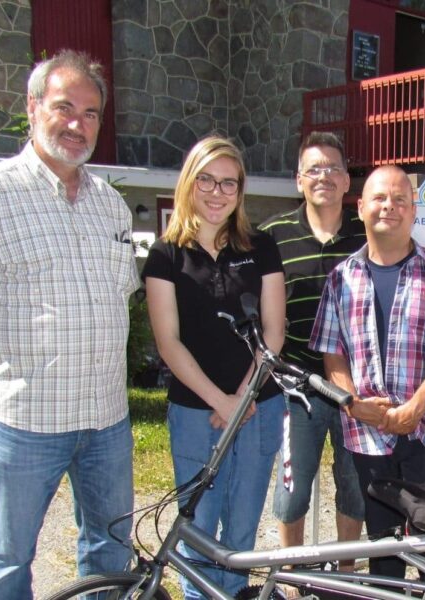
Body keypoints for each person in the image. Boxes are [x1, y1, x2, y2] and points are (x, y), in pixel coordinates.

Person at [0, 50, 140, 598]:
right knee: (5, 559)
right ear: (33, 108)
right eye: (65, 107)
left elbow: (121, 299)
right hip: (24, 421)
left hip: (107, 421)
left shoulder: (112, 206)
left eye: (91, 113)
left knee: (111, 553)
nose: (78, 124)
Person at [310, 165, 425, 577]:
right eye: (380, 198)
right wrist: (352, 404)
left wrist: (414, 409)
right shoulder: (341, 278)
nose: (390, 206)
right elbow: (333, 354)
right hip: (367, 436)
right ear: (362, 207)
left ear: (413, 209)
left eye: (401, 199)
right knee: (384, 550)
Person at [142, 136, 285, 599]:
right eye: (206, 179)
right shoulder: (166, 255)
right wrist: (219, 401)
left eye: (229, 183)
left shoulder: (261, 246)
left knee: (242, 533)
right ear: (189, 182)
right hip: (194, 414)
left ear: (240, 191)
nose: (217, 192)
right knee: (199, 530)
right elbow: (169, 342)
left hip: (257, 407)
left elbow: (273, 333)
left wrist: (240, 400)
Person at [259, 132, 365, 560]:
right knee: (292, 486)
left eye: (333, 169)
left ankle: (343, 572)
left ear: (345, 181)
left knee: (354, 484)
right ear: (298, 180)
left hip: (355, 385)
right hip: (294, 385)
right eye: (313, 169)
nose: (324, 176)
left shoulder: (367, 234)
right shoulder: (272, 236)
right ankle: (290, 573)